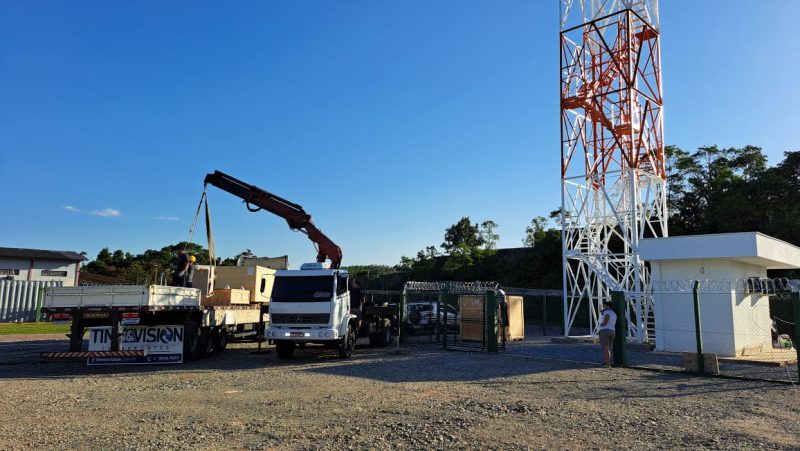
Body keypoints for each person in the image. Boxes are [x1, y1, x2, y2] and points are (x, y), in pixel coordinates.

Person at [598, 300, 617, 367]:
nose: (604, 306)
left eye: (604, 305)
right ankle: (607, 362)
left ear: (607, 305)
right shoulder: (614, 313)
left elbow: (607, 317)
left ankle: (607, 363)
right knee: (608, 348)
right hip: (612, 331)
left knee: (605, 348)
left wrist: (602, 324)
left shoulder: (606, 312)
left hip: (605, 331)